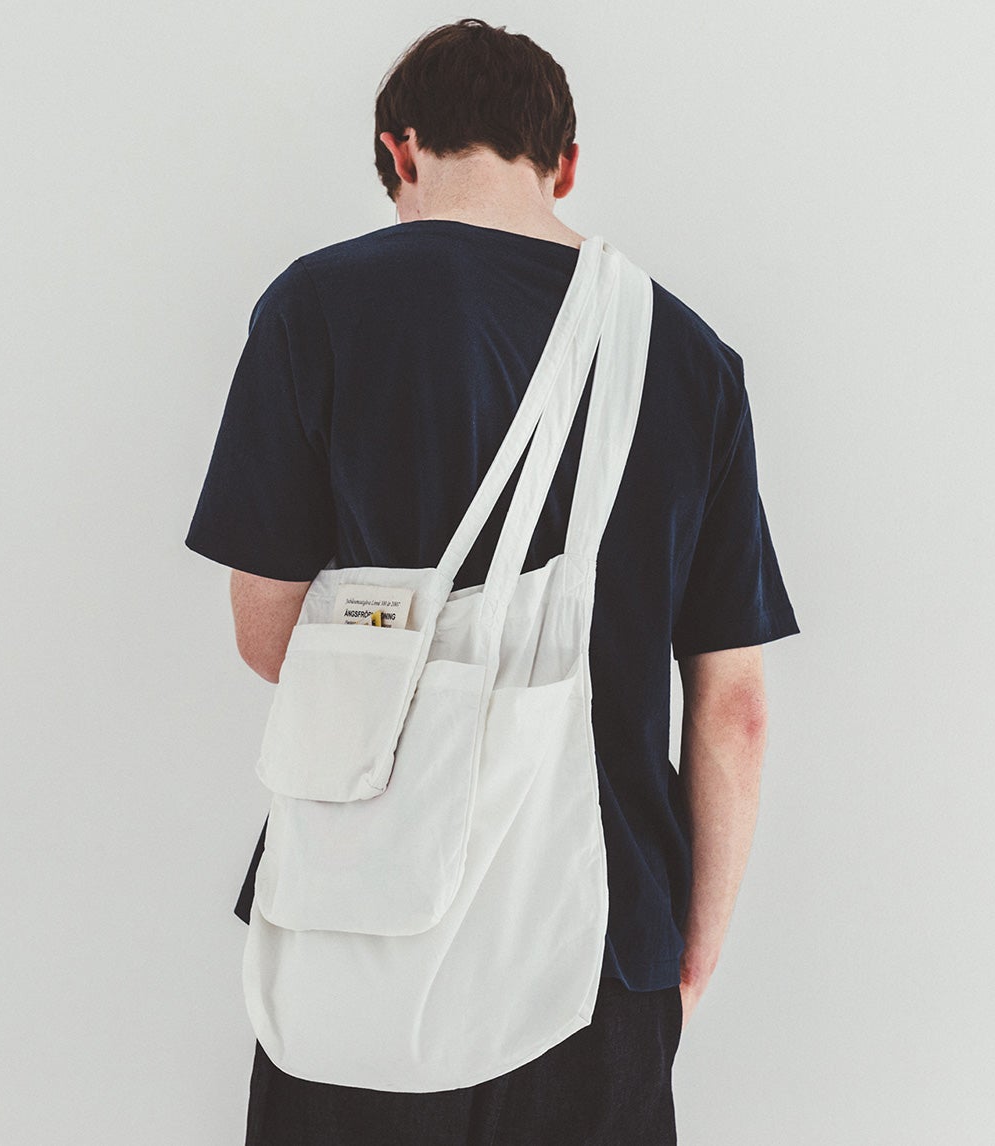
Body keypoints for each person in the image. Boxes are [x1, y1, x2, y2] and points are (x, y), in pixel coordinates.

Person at [184, 17, 800, 1144]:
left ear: (399, 151)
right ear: (564, 163)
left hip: (364, 923)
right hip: (607, 944)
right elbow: (737, 711)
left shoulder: (316, 306)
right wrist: (686, 961)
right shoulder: (690, 356)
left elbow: (266, 635)